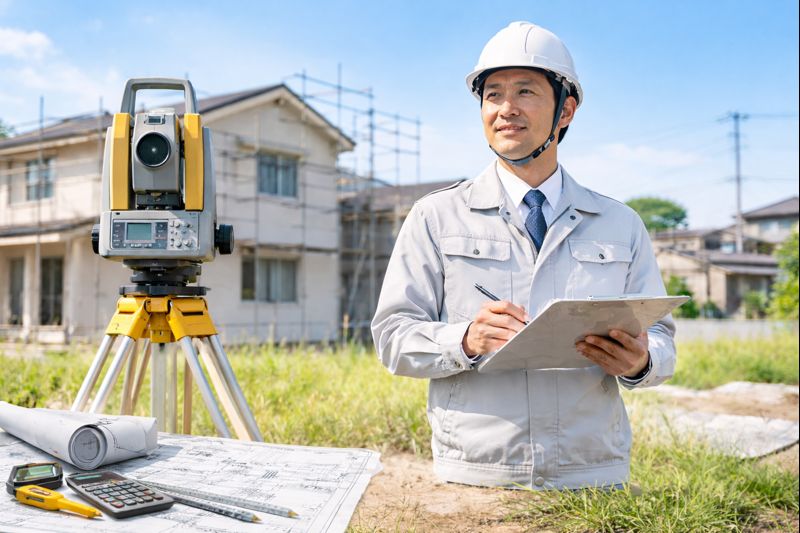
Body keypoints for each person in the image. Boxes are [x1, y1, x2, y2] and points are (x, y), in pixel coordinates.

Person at [371, 21, 676, 490]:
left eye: (526, 92)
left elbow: (660, 336)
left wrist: (641, 362)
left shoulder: (620, 223)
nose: (505, 110)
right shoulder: (435, 216)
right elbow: (393, 337)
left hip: (592, 475)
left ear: (566, 110)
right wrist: (465, 340)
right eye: (492, 95)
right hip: (474, 476)